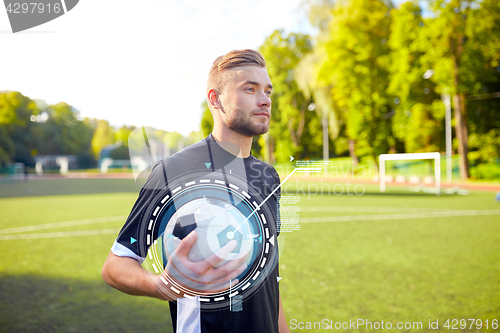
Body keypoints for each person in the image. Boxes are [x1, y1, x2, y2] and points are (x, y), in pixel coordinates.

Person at [102, 49, 289, 333]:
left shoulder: (269, 176)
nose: (265, 100)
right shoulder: (174, 171)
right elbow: (115, 266)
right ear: (216, 99)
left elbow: (269, 273)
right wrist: (162, 285)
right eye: (249, 89)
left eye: (267, 91)